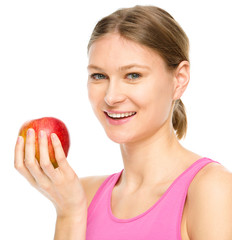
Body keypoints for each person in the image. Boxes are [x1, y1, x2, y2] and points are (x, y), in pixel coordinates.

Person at [14, 5, 232, 240]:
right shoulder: (81, 195)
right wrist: (69, 213)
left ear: (179, 80)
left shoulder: (211, 189)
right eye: (99, 76)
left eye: (133, 75)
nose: (111, 97)